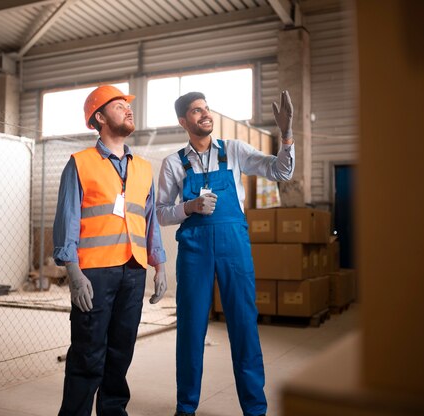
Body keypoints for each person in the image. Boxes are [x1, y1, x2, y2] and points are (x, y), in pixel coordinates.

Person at [156, 91, 295, 416]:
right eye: (196, 111)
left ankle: (255, 409)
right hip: (194, 251)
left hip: (234, 248)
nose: (205, 114)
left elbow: (280, 172)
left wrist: (286, 137)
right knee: (190, 328)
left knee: (244, 325)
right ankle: (186, 407)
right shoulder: (174, 163)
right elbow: (161, 213)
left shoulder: (233, 151)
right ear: (183, 121)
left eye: (206, 108)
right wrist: (188, 207)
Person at [53, 85, 168, 416]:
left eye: (128, 105)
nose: (128, 109)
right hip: (94, 273)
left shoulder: (143, 168)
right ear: (99, 118)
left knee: (120, 354)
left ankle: (113, 412)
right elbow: (67, 220)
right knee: (88, 355)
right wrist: (72, 271)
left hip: (133, 270)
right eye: (118, 106)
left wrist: (159, 265)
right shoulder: (80, 164)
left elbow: (149, 221)